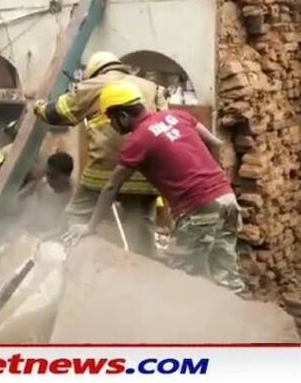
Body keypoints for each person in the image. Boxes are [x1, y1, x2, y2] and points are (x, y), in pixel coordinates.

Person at [65, 80, 245, 292]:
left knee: (182, 280)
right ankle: (234, 320)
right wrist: (215, 179)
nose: (112, 126)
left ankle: (188, 324)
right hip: (227, 199)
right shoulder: (177, 116)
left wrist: (90, 226)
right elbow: (214, 143)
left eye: (111, 120)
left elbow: (111, 187)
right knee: (226, 274)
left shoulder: (138, 141)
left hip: (197, 209)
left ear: (123, 116)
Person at [33, 51, 168, 258]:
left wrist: (38, 106)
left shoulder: (93, 85)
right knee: (141, 231)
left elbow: (58, 113)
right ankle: (144, 275)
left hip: (103, 171)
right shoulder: (151, 87)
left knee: (76, 215)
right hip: (145, 173)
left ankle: (72, 261)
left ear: (95, 72)